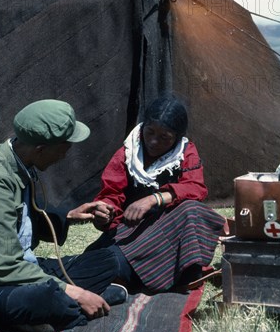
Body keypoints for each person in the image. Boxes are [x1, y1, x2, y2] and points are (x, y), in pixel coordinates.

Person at [0, 100, 127, 332]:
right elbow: (3, 267)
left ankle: (53, 312)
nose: (65, 154)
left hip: (25, 268)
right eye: (65, 146)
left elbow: (22, 221)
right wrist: (77, 293)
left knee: (108, 260)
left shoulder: (22, 162)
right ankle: (63, 306)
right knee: (44, 299)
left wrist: (70, 217)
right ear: (41, 148)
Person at [85, 94, 225, 293]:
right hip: (131, 231)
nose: (153, 142)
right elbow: (111, 193)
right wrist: (104, 213)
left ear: (176, 137)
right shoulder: (128, 154)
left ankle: (151, 274)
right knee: (96, 262)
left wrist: (153, 199)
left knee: (192, 209)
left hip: (169, 231)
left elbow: (196, 188)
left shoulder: (186, 153)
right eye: (149, 132)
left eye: (164, 138)